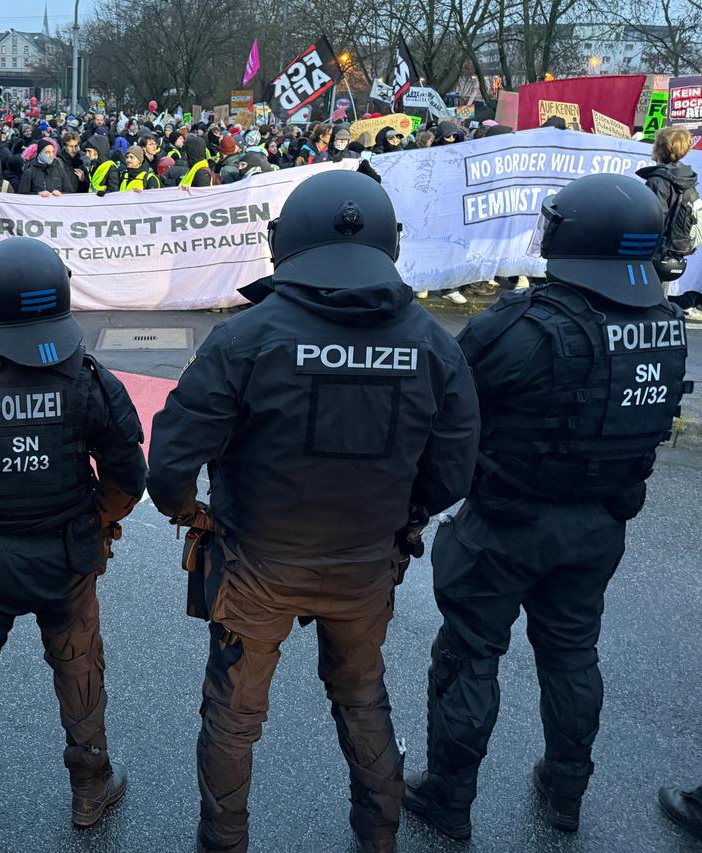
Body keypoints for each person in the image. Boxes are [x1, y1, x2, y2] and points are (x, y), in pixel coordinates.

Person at [147, 169, 481, 853]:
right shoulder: (432, 342)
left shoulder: (247, 338)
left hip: (257, 562)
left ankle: (223, 843)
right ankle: (378, 839)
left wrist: (191, 513)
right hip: (363, 564)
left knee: (234, 716)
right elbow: (454, 467)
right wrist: (403, 519)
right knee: (362, 698)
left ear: (286, 242)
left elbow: (172, 459)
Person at [403, 173, 690, 840]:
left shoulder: (524, 325)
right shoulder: (667, 328)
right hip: (599, 526)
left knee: (469, 654)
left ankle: (448, 794)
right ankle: (566, 791)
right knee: (572, 653)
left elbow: (444, 406)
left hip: (505, 521)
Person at [0, 236, 147, 833]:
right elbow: (128, 476)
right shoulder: (91, 380)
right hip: (67, 561)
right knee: (80, 672)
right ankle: (91, 789)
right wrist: (99, 520)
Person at [637, 124, 702, 313]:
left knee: (647, 300)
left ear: (660, 148)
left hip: (655, 250)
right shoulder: (687, 180)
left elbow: (652, 218)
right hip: (674, 250)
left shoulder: (658, 181)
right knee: (659, 299)